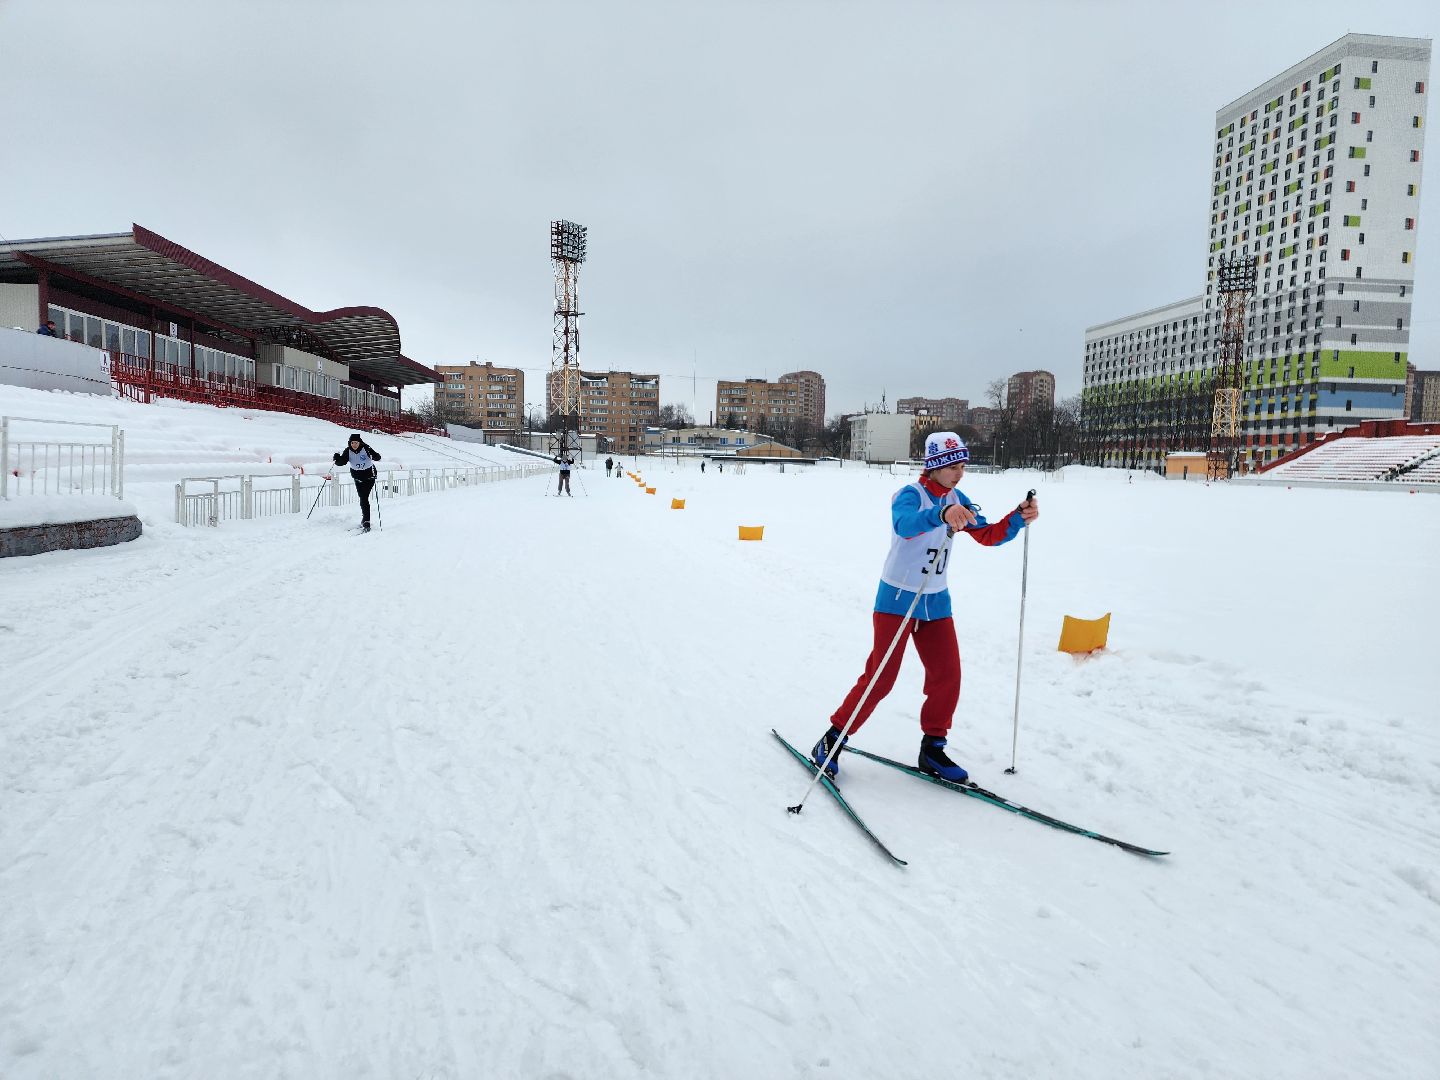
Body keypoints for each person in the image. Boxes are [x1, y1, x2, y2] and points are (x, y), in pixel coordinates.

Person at [811, 431, 1039, 784]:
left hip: (936, 601)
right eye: (952, 467)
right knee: (882, 677)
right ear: (933, 466)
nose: (959, 473)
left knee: (948, 675)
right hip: (897, 599)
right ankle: (832, 739)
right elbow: (905, 526)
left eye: (962, 466)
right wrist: (941, 513)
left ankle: (933, 747)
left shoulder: (958, 498)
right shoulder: (910, 495)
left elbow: (987, 534)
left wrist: (1017, 518)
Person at [332, 433, 381, 531]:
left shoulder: (366, 448)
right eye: (352, 443)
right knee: (362, 498)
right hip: (358, 478)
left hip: (369, 477)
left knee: (364, 497)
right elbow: (342, 462)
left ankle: (366, 521)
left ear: (360, 443)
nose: (354, 445)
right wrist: (337, 459)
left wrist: (374, 456)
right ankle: (365, 519)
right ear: (350, 443)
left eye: (356, 443)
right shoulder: (348, 451)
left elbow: (378, 457)